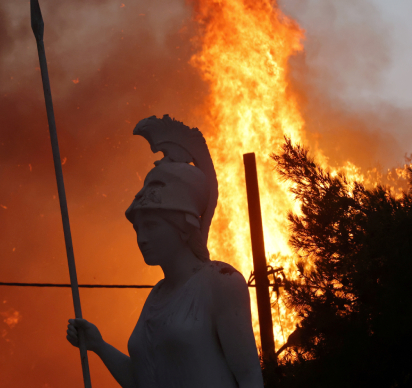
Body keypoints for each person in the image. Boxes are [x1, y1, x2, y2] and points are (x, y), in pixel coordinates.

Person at [66, 115, 264, 388]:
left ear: (183, 226)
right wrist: (98, 346)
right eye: (138, 228)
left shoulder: (221, 282)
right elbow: (141, 381)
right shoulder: (156, 297)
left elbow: (250, 376)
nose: (142, 238)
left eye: (152, 226)